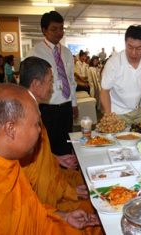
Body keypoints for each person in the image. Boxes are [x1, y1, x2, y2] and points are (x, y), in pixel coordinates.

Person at [0, 84, 100, 234]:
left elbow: (31, 208)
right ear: (10, 129)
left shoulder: (4, 159)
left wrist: (63, 217)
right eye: (36, 124)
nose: (40, 131)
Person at [19, 57, 102, 234]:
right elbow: (32, 180)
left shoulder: (32, 108)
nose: (53, 87)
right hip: (45, 202)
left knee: (92, 179)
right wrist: (70, 193)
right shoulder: (24, 118)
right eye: (50, 81)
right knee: (97, 206)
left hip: (55, 179)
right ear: (35, 84)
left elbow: (36, 159)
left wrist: (55, 158)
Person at [28, 11, 78, 156]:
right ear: (44, 30)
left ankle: (66, 175)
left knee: (66, 143)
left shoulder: (67, 53)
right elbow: (31, 85)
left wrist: (73, 103)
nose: (59, 32)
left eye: (61, 28)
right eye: (54, 29)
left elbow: (70, 80)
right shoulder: (35, 53)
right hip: (47, 108)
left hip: (66, 106)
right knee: (48, 146)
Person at [100, 25, 141, 124]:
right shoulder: (114, 63)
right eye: (130, 47)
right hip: (117, 113)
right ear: (125, 43)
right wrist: (108, 115)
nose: (134, 53)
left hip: (138, 111)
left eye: (139, 48)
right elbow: (105, 91)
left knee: (138, 137)